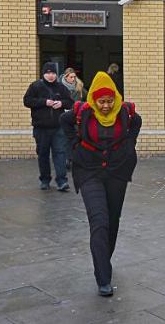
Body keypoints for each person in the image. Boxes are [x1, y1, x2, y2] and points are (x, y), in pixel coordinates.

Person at [61, 71, 141, 297]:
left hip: (116, 171)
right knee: (99, 220)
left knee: (113, 220)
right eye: (101, 101)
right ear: (93, 100)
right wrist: (74, 146)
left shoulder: (125, 112)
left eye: (109, 101)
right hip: (89, 171)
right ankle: (103, 277)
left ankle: (104, 259)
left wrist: (129, 146)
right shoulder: (83, 112)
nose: (105, 106)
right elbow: (64, 121)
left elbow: (137, 122)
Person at [24, 61, 74, 191]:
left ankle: (62, 181)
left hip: (58, 127)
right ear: (43, 74)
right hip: (41, 128)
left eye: (53, 73)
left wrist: (61, 104)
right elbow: (27, 101)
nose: (51, 75)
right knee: (43, 154)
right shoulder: (35, 86)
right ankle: (45, 180)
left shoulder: (61, 87)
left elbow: (70, 103)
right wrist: (44, 102)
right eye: (48, 73)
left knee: (60, 153)